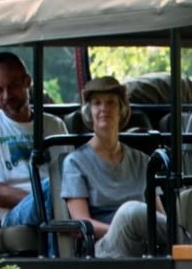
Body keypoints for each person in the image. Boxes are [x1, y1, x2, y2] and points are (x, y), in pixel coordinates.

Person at [62, 76, 168, 258]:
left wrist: (138, 231)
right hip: (103, 246)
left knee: (188, 208)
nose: (104, 108)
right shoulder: (75, 162)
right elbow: (81, 221)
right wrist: (122, 229)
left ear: (121, 110)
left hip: (146, 242)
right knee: (129, 213)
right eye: (97, 103)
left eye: (111, 103)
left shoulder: (142, 161)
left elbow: (160, 217)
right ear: (89, 112)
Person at [0, 51, 67, 226]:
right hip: (17, 212)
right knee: (51, 190)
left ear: (27, 82)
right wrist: (44, 198)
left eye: (13, 86)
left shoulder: (54, 125)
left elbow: (71, 174)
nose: (7, 96)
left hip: (61, 201)